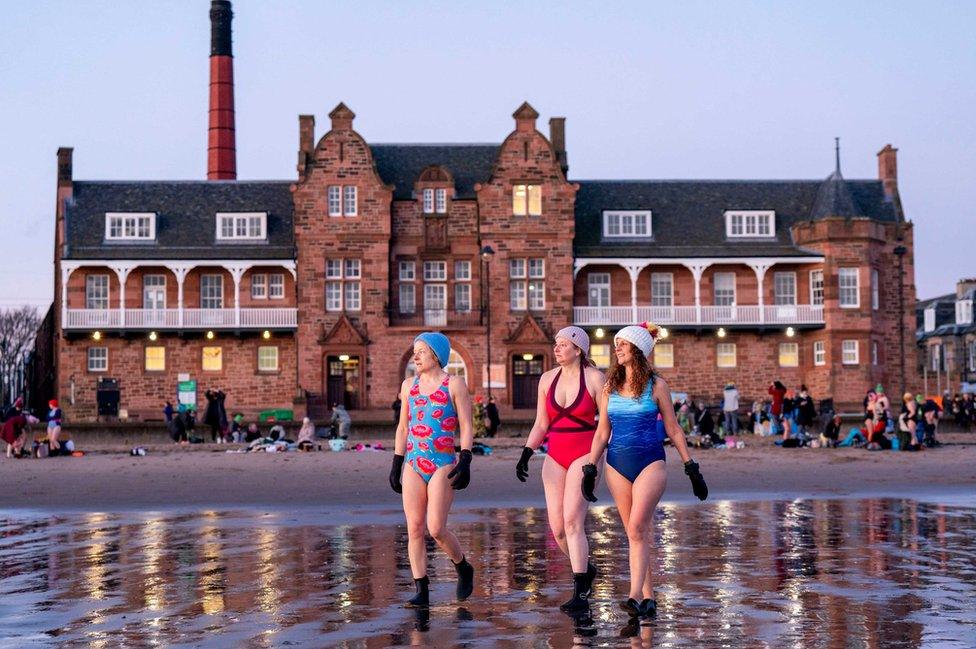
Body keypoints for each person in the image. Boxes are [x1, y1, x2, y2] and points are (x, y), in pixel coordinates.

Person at [581, 322, 707, 619]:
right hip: (616, 465)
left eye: (623, 344)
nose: (617, 349)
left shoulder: (657, 386)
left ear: (638, 349)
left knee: (637, 528)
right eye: (617, 344)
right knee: (635, 533)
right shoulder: (609, 388)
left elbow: (674, 430)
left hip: (651, 462)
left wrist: (692, 468)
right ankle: (649, 597)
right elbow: (601, 433)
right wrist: (590, 466)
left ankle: (634, 594)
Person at [514, 326, 605, 612]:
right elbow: (542, 422)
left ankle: (580, 591)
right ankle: (585, 569)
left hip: (585, 453)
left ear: (578, 350)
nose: (556, 348)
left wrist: (594, 463)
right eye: (556, 344)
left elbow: (606, 423)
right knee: (558, 529)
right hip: (555, 454)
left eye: (563, 344)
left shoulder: (594, 378)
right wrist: (527, 452)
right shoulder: (546, 379)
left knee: (572, 522)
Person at [389, 332, 475, 608]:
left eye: (422, 351)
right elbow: (403, 427)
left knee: (436, 527)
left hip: (443, 463)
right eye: (415, 351)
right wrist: (396, 462)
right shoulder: (408, 386)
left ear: (437, 355)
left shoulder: (455, 384)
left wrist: (466, 459)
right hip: (414, 462)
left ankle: (462, 566)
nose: (416, 356)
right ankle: (421, 589)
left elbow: (467, 425)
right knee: (414, 528)